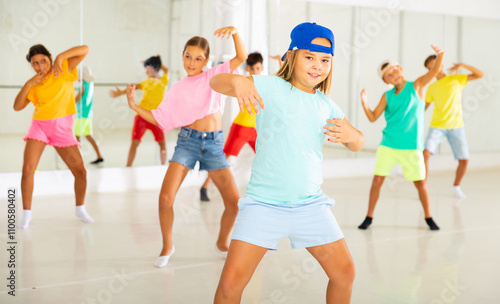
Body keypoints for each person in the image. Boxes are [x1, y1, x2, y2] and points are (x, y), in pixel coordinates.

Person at [211, 22, 364, 304]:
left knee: (345, 273)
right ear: (292, 56)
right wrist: (238, 81)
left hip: (311, 205)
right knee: (230, 283)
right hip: (263, 206)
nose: (318, 66)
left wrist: (354, 135)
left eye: (325, 60)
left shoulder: (326, 104)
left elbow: (357, 143)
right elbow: (215, 82)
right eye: (310, 57)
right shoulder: (271, 86)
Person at [124, 26, 247, 268]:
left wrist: (234, 33)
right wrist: (134, 106)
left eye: (198, 58)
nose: (192, 62)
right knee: (165, 198)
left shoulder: (214, 76)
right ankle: (167, 246)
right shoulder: (178, 88)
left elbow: (241, 57)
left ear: (206, 61)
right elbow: (160, 117)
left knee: (234, 202)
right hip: (188, 142)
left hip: (213, 144)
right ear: (182, 56)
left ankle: (222, 242)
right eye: (188, 56)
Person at [357, 45, 445, 231]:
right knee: (377, 181)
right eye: (389, 74)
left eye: (395, 70)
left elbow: (435, 70)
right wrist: (365, 104)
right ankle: (368, 217)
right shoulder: (387, 96)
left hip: (412, 147)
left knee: (420, 183)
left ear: (401, 69)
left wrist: (441, 55)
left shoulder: (418, 85)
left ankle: (428, 217)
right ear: (385, 80)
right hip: (388, 145)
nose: (394, 74)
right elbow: (373, 117)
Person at [14, 44, 94, 228]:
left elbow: (85, 49)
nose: (40, 66)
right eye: (35, 63)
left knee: (80, 172)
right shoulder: (34, 83)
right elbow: (17, 107)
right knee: (28, 169)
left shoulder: (63, 68)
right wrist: (29, 83)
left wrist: (60, 57)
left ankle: (80, 208)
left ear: (49, 58)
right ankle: (26, 214)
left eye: (43, 60)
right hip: (39, 127)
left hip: (62, 129)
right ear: (31, 66)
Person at [200, 52, 263, 202]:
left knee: (264, 155)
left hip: (254, 130)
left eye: (259, 68)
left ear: (262, 68)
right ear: (248, 69)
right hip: (240, 128)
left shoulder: (265, 83)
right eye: (253, 69)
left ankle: (265, 189)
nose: (256, 72)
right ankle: (205, 186)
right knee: (225, 158)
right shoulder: (244, 83)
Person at [422, 56, 484, 199]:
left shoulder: (456, 79)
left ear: (441, 65)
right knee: (425, 154)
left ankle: (456, 186)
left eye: (435, 65)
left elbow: (480, 75)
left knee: (464, 160)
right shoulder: (431, 87)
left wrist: (463, 64)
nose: (434, 69)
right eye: (430, 68)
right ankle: (422, 187)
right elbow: (423, 108)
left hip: (457, 126)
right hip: (437, 126)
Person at [110, 56, 169, 167]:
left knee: (162, 143)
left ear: (152, 68)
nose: (146, 71)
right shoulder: (147, 82)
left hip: (156, 118)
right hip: (142, 116)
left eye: (147, 68)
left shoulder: (163, 80)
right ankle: (128, 166)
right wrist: (121, 92)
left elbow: (166, 70)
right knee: (135, 143)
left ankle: (163, 166)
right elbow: (133, 87)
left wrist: (155, 60)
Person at [74, 66, 104, 164]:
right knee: (88, 136)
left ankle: (78, 159)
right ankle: (99, 156)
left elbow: (77, 99)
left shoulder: (82, 86)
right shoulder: (89, 84)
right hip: (87, 114)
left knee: (76, 137)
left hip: (81, 115)